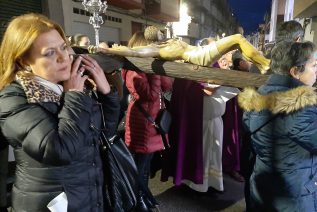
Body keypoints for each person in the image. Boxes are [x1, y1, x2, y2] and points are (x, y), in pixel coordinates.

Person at [0, 13, 111, 211]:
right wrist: (75, 96)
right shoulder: (13, 98)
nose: (64, 58)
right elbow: (59, 150)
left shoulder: (68, 85)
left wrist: (107, 94)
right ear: (24, 61)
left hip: (88, 194)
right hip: (52, 203)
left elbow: (103, 132)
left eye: (63, 47)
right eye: (49, 53)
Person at [238, 40, 317, 211]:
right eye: (314, 65)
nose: (316, 71)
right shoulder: (300, 108)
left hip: (262, 189)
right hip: (293, 197)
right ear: (295, 71)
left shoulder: (260, 96)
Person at [123, 30, 173, 211]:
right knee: (138, 167)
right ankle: (136, 200)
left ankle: (142, 196)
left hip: (152, 122)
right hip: (142, 122)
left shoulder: (148, 66)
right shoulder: (133, 70)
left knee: (145, 166)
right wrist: (154, 71)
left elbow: (167, 86)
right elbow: (150, 95)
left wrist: (160, 66)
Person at [96, 32, 270, 74]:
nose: (160, 33)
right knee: (238, 38)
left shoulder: (167, 42)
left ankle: (262, 64)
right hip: (199, 56)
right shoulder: (157, 49)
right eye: (156, 33)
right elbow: (134, 52)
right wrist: (109, 49)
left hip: (201, 52)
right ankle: (265, 65)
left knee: (238, 42)